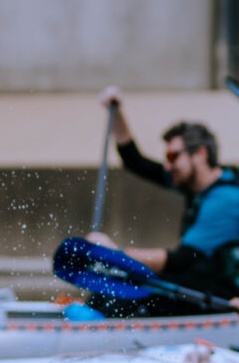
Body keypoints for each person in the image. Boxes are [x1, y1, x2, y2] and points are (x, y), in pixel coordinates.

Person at [86, 87, 239, 316]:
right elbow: (135, 162)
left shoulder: (225, 200)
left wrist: (115, 254)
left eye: (173, 156)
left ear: (201, 154)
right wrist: (116, 110)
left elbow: (179, 261)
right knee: (119, 286)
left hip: (224, 297)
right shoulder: (197, 186)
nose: (167, 166)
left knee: (130, 292)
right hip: (203, 284)